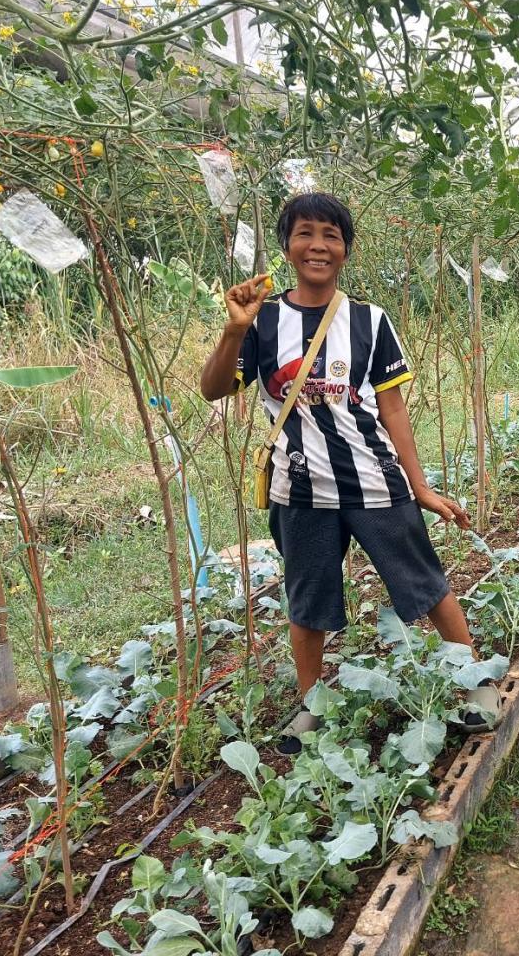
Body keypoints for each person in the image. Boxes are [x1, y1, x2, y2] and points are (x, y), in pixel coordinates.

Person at [200, 192, 500, 751]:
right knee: (307, 601)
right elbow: (214, 389)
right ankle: (312, 705)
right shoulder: (262, 321)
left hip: (375, 480)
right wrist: (232, 330)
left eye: (331, 236)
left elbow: (392, 409)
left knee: (425, 583)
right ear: (288, 246)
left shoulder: (370, 321)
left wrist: (422, 486)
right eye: (306, 233)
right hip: (301, 489)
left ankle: (477, 683)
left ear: (345, 250)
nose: (319, 245)